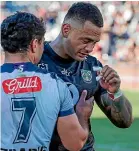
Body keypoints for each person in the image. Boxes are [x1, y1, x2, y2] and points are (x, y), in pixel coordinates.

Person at [38, 2, 133, 151]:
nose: (90, 48)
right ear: (66, 30)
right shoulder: (36, 59)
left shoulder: (93, 66)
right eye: (85, 40)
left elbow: (125, 122)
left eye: (94, 43)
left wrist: (115, 92)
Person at [1, 12, 94, 151]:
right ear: (34, 45)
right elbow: (75, 144)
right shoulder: (55, 84)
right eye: (42, 42)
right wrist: (83, 115)